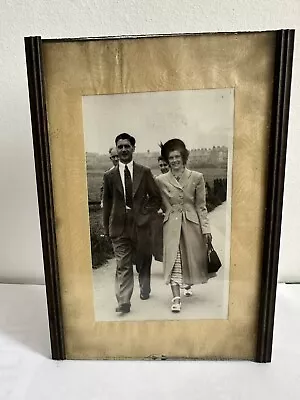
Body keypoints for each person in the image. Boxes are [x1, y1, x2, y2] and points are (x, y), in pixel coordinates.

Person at [102, 133, 162, 314]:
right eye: (120, 147)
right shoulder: (109, 176)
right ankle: (124, 301)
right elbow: (107, 205)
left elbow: (156, 198)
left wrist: (145, 213)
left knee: (143, 260)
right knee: (123, 264)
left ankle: (145, 288)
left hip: (141, 226)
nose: (123, 150)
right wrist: (107, 228)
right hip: (119, 228)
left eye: (127, 146)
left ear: (133, 148)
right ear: (116, 149)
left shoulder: (144, 172)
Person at [156, 138, 213, 313]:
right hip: (171, 226)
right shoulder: (160, 180)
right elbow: (158, 202)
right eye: (170, 157)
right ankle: (176, 298)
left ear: (184, 157)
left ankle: (187, 282)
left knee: (189, 258)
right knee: (174, 259)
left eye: (177, 157)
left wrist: (206, 229)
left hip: (191, 224)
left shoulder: (197, 177)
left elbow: (201, 206)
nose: (174, 161)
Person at [151, 156, 169, 262]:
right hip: (162, 213)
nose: (163, 167)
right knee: (156, 234)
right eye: (161, 165)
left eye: (165, 165)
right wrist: (158, 209)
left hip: (175, 213)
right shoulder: (157, 180)